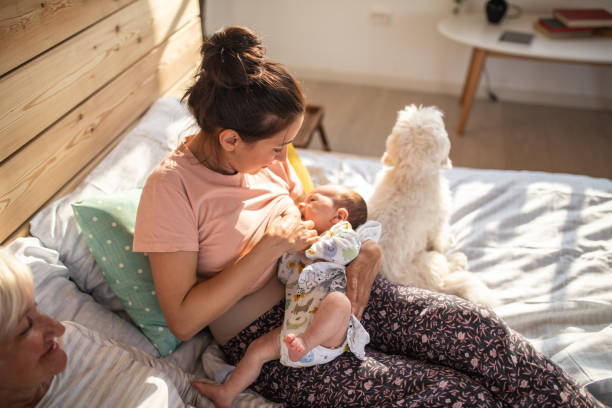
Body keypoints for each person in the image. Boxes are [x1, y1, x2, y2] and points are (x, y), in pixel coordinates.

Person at [133, 25, 596, 407]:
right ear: (230, 139)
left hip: (333, 289)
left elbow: (318, 218)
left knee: (478, 332)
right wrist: (266, 250)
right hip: (282, 339)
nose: (284, 160)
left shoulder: (263, 160)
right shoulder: (171, 189)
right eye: (277, 148)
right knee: (455, 395)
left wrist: (366, 249)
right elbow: (183, 320)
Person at [197, 185, 381, 407]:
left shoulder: (342, 235)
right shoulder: (301, 250)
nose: (302, 204)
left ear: (339, 216)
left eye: (312, 200)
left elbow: (347, 251)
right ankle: (227, 392)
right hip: (294, 329)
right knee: (257, 350)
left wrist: (309, 247)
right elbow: (285, 276)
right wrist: (289, 250)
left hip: (328, 334)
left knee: (339, 302)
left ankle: (307, 341)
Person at [0, 250, 205, 407]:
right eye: (26, 327)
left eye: (37, 308)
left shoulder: (72, 339)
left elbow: (188, 388)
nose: (57, 328)